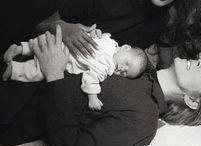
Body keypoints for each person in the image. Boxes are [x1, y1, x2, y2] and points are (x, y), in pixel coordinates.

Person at [0, 0, 201, 132]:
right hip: (22, 14)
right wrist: (65, 28)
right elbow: (41, 24)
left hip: (48, 54)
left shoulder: (166, 21)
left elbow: (168, 75)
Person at [0, 26, 201, 146]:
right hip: (17, 51)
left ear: (192, 100)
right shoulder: (142, 63)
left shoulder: (143, 120)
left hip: (13, 101)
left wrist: (54, 75)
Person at [2, 32, 148, 110]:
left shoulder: (108, 40)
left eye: (125, 73)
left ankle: (19, 49)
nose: (122, 69)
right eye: (126, 63)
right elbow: (90, 78)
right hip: (63, 57)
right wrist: (93, 98)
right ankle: (15, 69)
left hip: (62, 44)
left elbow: (96, 35)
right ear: (125, 47)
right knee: (38, 71)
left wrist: (94, 33)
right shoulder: (105, 65)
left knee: (41, 45)